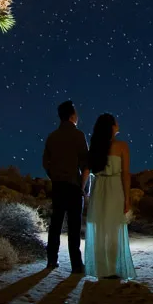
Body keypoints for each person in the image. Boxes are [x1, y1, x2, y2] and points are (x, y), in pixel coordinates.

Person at [83, 113, 136, 280]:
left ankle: (101, 270)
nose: (118, 124)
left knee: (100, 230)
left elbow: (87, 170)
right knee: (113, 230)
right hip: (114, 188)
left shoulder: (95, 147)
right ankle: (111, 270)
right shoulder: (122, 146)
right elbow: (125, 174)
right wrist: (127, 199)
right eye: (116, 122)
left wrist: (83, 189)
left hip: (98, 187)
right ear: (111, 126)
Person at [42, 100, 89, 272]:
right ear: (72, 116)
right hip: (74, 185)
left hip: (58, 185)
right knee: (74, 226)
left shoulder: (52, 137)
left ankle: (51, 260)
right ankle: (76, 264)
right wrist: (84, 187)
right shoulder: (79, 135)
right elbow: (85, 163)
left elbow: (45, 163)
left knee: (55, 223)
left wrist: (54, 176)